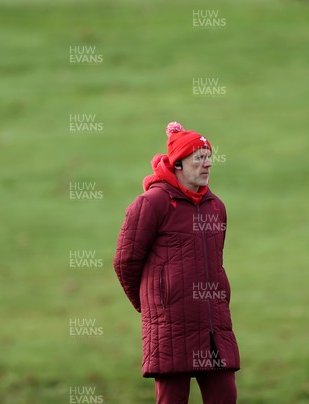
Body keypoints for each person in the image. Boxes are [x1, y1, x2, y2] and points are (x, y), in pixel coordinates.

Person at [113, 122, 240, 404]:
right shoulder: (152, 203)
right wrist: (154, 306)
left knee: (225, 396)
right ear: (179, 164)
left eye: (209, 157)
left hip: (214, 327)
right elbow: (125, 261)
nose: (207, 164)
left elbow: (216, 263)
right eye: (199, 158)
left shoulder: (216, 207)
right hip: (171, 328)